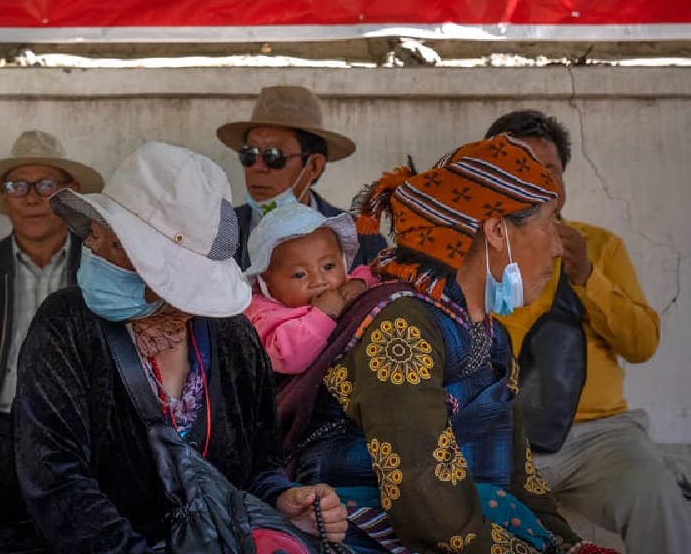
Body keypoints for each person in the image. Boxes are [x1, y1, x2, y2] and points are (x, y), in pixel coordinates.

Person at [0, 141, 348, 553]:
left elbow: (259, 468)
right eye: (96, 233)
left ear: (166, 272)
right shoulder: (65, 324)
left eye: (114, 244)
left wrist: (283, 500)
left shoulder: (234, 340)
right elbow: (56, 480)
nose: (92, 249)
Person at [288, 133, 616, 554]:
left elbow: (521, 479)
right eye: (550, 223)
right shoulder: (401, 326)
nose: (557, 246)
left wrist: (570, 546)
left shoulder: (489, 333)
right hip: (369, 537)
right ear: (497, 231)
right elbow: (427, 500)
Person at [486, 110, 689, 552]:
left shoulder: (599, 246)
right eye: (520, 168)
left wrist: (588, 277)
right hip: (500, 434)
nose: (538, 180)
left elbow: (642, 346)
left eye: (550, 170)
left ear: (564, 181)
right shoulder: (473, 251)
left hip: (601, 438)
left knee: (656, 495)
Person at [0, 131, 103, 483]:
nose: (30, 199)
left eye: (46, 186)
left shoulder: (102, 267)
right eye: (17, 187)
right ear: (4, 198)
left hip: (85, 425)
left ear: (69, 195)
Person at [216, 85, 386, 271]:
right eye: (249, 154)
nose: (257, 167)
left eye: (274, 156)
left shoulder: (362, 239)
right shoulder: (216, 231)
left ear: (313, 166)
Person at [242, 202, 380, 375]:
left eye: (328, 266)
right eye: (299, 275)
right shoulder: (264, 316)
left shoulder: (342, 285)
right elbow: (290, 358)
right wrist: (322, 316)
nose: (319, 280)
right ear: (267, 285)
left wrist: (360, 283)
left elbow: (377, 273)